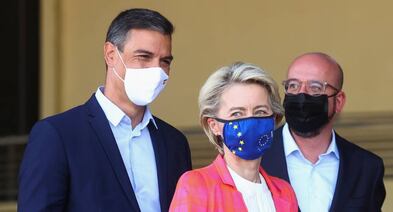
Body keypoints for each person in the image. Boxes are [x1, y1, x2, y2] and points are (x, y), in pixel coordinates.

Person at [18, 8, 192, 212]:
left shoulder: (174, 143)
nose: (157, 70)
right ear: (111, 54)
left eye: (165, 61)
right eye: (144, 57)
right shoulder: (58, 135)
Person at [261, 52, 386, 212]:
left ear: (338, 101)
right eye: (293, 85)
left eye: (315, 88)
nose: (301, 94)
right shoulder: (255, 157)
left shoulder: (367, 167)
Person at [170, 62, 298, 212]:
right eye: (237, 113)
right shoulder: (196, 185)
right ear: (214, 125)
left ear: (273, 119)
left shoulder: (284, 192)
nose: (251, 121)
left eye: (260, 111)